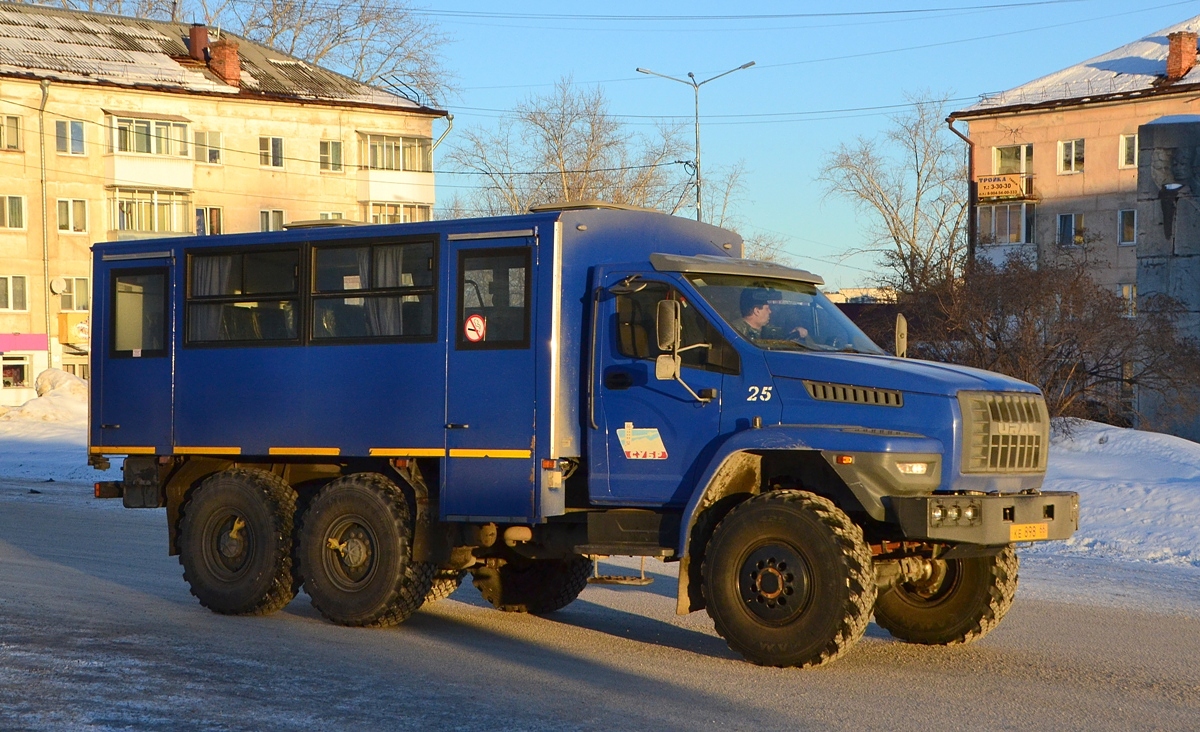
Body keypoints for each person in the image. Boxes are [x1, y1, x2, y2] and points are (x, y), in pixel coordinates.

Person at [734, 287, 809, 343]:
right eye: (767, 308)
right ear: (757, 311)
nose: (770, 311)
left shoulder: (768, 330)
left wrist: (795, 332)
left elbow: (782, 339)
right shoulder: (736, 331)